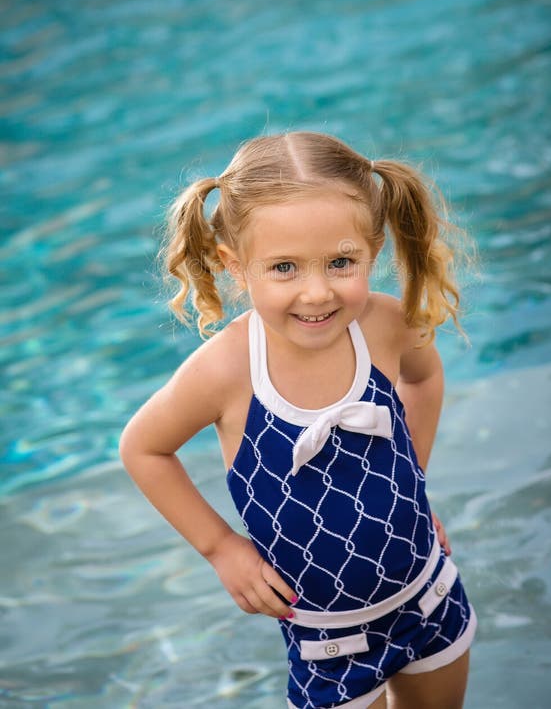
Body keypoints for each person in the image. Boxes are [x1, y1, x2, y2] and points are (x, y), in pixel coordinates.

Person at [120, 131, 477, 709]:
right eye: (284, 267)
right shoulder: (227, 371)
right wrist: (220, 548)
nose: (316, 293)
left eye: (341, 262)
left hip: (430, 596)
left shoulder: (385, 325)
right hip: (327, 642)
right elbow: (142, 448)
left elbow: (424, 378)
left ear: (375, 249)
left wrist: (415, 482)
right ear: (234, 266)